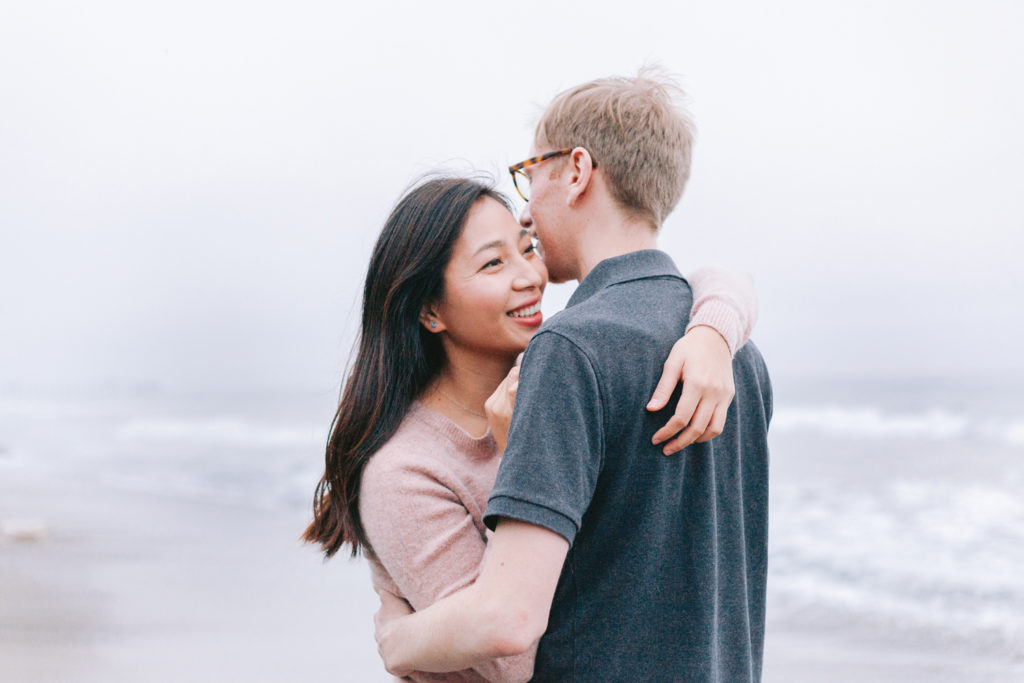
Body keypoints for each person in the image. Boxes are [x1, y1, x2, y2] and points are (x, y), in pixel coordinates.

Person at [373, 71, 772, 681]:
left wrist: (398, 642)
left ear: (577, 170)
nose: (528, 213)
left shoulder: (569, 349)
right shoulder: (738, 355)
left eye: (530, 175)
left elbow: (507, 622)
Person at [305, 174, 756, 680]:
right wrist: (515, 458)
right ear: (430, 311)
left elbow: (717, 279)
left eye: (528, 249)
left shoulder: (552, 374)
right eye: (494, 263)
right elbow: (508, 660)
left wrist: (712, 333)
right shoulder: (403, 472)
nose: (530, 277)